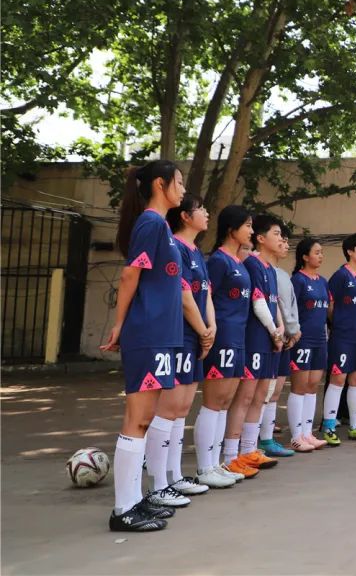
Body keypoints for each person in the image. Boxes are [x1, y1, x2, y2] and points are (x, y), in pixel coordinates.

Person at [101, 160, 186, 531]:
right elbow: (130, 273)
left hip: (161, 334)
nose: (182, 190)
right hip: (147, 333)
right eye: (179, 183)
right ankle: (123, 510)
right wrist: (120, 324)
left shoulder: (162, 226)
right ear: (160, 184)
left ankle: (135, 500)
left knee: (147, 418)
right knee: (137, 418)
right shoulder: (151, 223)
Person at [222, 214, 286, 477]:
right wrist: (274, 331)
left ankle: (250, 450)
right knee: (245, 396)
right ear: (261, 239)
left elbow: (274, 302)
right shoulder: (254, 265)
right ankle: (230, 455)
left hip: (270, 339)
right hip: (255, 339)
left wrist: (280, 327)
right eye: (276, 233)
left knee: (261, 396)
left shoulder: (271, 270)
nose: (281, 239)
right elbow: (258, 303)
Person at [160, 195, 215, 499]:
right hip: (181, 334)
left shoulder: (197, 252)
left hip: (197, 335)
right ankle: (160, 482)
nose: (206, 214)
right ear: (184, 216)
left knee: (182, 409)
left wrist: (210, 329)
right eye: (201, 210)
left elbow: (204, 295)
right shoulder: (176, 248)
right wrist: (202, 330)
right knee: (169, 408)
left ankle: (176, 475)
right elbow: (183, 297)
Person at [195, 206, 253, 488]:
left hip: (239, 337)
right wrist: (207, 330)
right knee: (213, 402)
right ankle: (205, 467)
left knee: (225, 402)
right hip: (223, 337)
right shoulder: (218, 261)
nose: (251, 231)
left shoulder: (239, 262)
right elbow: (204, 297)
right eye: (247, 226)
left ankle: (216, 464)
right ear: (232, 229)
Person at [321, 233, 356, 445]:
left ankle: (355, 426)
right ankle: (329, 426)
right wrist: (341, 324)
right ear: (349, 251)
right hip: (342, 336)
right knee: (338, 379)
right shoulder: (340, 276)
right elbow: (330, 307)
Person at [288, 238, 331, 452]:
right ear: (305, 256)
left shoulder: (323, 281)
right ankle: (296, 436)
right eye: (316, 252)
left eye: (321, 252)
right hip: (302, 339)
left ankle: (307, 433)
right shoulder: (298, 280)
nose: (320, 256)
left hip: (320, 339)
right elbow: (290, 309)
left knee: (313, 384)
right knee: (300, 385)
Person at [260, 222, 298, 458]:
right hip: (269, 338)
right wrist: (280, 331)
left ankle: (267, 438)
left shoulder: (283, 274)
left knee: (276, 391)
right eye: (280, 238)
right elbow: (273, 306)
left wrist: (294, 330)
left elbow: (289, 306)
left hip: (286, 338)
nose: (284, 244)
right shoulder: (260, 268)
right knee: (261, 392)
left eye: (285, 241)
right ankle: (252, 440)